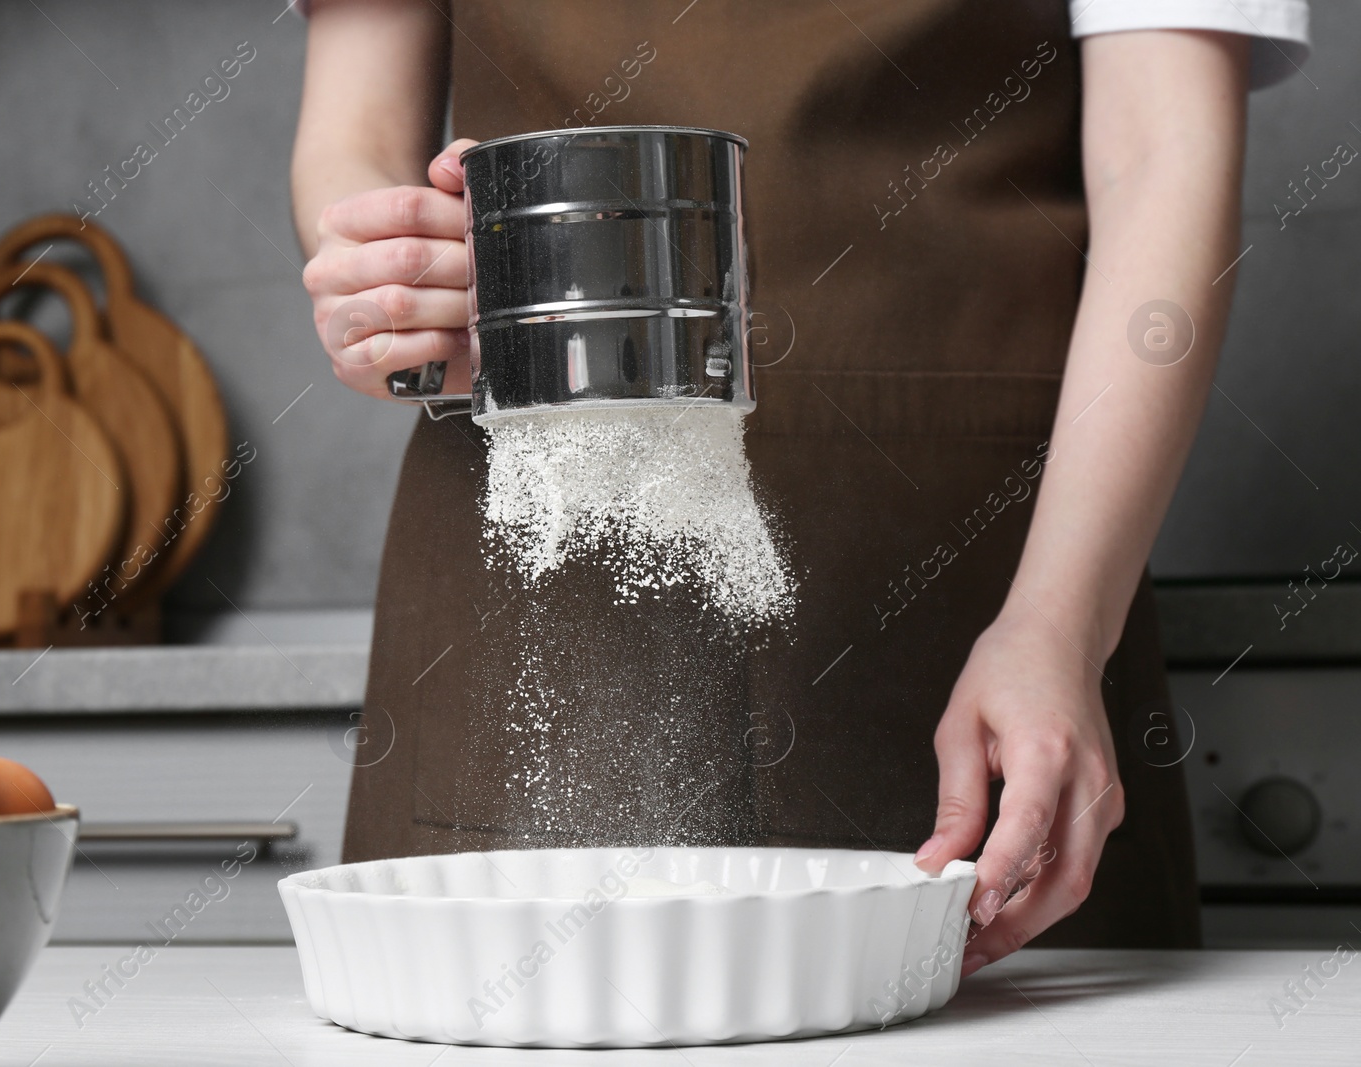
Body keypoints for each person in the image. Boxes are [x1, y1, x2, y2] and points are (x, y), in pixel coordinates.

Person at [292, 0, 1310, 975]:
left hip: (987, 584)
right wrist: (392, 285)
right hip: (536, 558)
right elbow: (355, 137)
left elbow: (1159, 161)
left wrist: (1057, 624)